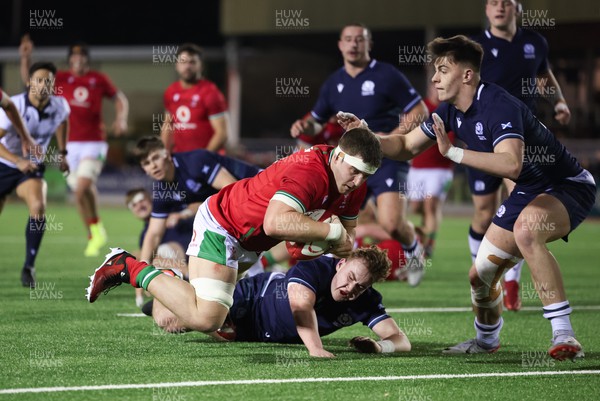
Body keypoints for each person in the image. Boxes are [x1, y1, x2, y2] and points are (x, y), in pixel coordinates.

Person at [339, 35, 595, 361]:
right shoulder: (448, 111)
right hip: (530, 190)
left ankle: (565, 335)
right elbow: (405, 147)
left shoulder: (498, 104)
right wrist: (368, 135)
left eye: (443, 70)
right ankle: (487, 340)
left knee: (528, 231)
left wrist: (454, 152)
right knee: (479, 276)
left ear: (467, 75)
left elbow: (510, 163)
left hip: (567, 185)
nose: (434, 78)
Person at [87, 127, 383, 338]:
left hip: (250, 241)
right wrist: (325, 234)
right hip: (224, 224)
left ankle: (175, 283)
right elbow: (275, 223)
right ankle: (127, 266)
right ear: (339, 156)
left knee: (201, 315)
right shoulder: (310, 171)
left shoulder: (352, 185)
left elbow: (346, 238)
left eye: (366, 175)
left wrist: (329, 242)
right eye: (355, 171)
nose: (358, 182)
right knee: (207, 318)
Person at [290, 23, 429, 286]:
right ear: (340, 45)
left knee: (391, 223)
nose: (354, 44)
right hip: (348, 165)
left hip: (386, 160)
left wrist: (389, 140)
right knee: (331, 220)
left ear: (369, 44)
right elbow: (317, 122)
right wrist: (304, 126)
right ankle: (336, 274)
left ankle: (414, 251)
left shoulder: (387, 74)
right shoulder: (334, 83)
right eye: (348, 40)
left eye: (359, 40)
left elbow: (418, 110)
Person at [469, 0, 572, 310]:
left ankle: (510, 280)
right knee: (485, 213)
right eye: (493, 2)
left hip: (521, 137)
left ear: (518, 9)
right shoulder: (475, 47)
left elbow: (545, 75)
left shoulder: (535, 42)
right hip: (481, 136)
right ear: (486, 10)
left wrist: (559, 102)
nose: (499, 7)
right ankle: (483, 275)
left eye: (506, 2)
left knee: (519, 209)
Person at [20, 35, 129, 258]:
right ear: (70, 60)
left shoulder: (98, 79)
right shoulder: (60, 79)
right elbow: (30, 82)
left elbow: (120, 99)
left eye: (82, 56)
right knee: (81, 192)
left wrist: (121, 118)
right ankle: (94, 232)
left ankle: (95, 230)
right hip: (68, 145)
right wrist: (26, 58)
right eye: (75, 56)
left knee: (82, 188)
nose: (78, 60)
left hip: (94, 142)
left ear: (87, 59)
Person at [128, 136, 262, 305]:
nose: (153, 165)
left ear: (167, 154)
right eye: (146, 163)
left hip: (260, 189)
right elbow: (153, 233)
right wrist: (142, 271)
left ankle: (260, 284)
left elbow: (235, 190)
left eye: (155, 158)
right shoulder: (162, 190)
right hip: (241, 207)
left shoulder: (194, 161)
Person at [220, 247, 410, 357]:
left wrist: (379, 347)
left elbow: (401, 340)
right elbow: (301, 308)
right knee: (202, 319)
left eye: (360, 286)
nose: (350, 288)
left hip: (256, 334)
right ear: (341, 264)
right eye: (350, 277)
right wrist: (316, 348)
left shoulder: (366, 300)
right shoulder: (315, 267)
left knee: (213, 328)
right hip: (250, 301)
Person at [0, 62, 70, 287]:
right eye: (38, 80)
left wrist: (63, 152)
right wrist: (17, 160)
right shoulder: (15, 105)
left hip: (30, 167)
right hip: (4, 163)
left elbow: (62, 122)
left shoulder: (60, 106)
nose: (43, 85)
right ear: (29, 81)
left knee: (38, 207)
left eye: (47, 81)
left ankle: (29, 266)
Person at [406, 83, 455, 258]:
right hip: (417, 167)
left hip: (439, 168)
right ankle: (425, 229)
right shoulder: (420, 108)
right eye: (433, 86)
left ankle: (429, 245)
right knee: (415, 207)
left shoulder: (449, 108)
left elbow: (451, 140)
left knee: (430, 205)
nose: (436, 89)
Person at [125, 188, 194, 307]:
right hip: (178, 266)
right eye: (134, 205)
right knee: (140, 256)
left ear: (150, 199)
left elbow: (199, 204)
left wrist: (182, 214)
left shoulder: (169, 208)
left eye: (141, 200)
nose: (139, 206)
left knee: (152, 254)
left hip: (196, 251)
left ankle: (189, 276)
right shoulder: (145, 236)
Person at [161, 43, 229, 154]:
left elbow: (222, 134)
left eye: (192, 62)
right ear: (176, 65)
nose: (187, 66)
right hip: (181, 158)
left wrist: (202, 158)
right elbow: (168, 125)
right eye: (183, 62)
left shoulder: (211, 93)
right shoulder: (170, 91)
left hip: (208, 161)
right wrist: (164, 153)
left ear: (201, 66)